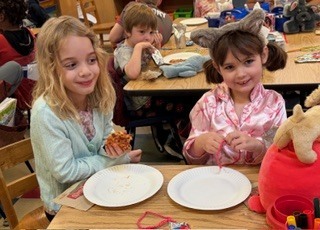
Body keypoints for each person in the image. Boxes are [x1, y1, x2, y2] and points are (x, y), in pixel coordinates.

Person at [30, 15, 142, 221]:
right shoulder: (46, 113)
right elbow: (65, 171)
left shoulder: (98, 95)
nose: (86, 71)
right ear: (51, 68)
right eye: (71, 65)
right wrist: (116, 160)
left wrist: (113, 148)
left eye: (91, 60)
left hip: (99, 188)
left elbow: (105, 138)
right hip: (64, 208)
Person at [183, 9, 288, 165]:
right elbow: (190, 157)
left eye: (248, 62)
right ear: (218, 68)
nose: (241, 74)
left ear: (263, 55)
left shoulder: (274, 103)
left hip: (259, 181)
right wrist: (201, 143)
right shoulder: (207, 103)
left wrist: (258, 146)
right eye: (230, 67)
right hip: (218, 182)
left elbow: (281, 152)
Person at [113, 3, 192, 159]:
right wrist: (138, 49)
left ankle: (176, 133)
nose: (147, 37)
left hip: (148, 93)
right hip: (139, 103)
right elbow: (133, 73)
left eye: (151, 32)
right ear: (127, 32)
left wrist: (156, 47)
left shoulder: (141, 44)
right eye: (142, 32)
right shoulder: (124, 50)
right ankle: (174, 140)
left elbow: (159, 62)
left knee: (187, 96)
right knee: (186, 103)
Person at [0, 0, 37, 110]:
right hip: (32, 95)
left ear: (1, 17)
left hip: (15, 101)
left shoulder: (2, 40)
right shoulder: (30, 33)